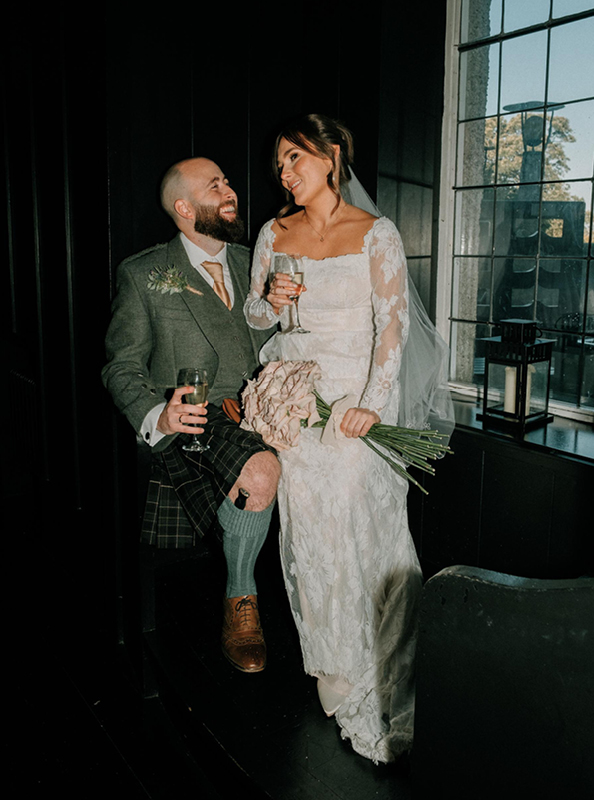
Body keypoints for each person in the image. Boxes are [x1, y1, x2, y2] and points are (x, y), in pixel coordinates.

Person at [244, 114, 452, 763]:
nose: (284, 172)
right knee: (310, 538)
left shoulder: (376, 234)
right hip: (297, 409)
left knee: (367, 533)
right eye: (278, 162)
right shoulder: (272, 232)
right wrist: (272, 301)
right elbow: (254, 315)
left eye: (295, 158)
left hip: (358, 406)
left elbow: (392, 329)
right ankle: (339, 673)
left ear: (331, 156)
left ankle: (385, 674)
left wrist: (369, 406)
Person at [102, 157, 280, 673]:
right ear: (184, 207)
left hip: (267, 409)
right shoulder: (143, 274)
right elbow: (121, 367)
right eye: (215, 185)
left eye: (228, 180)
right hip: (196, 419)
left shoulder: (260, 262)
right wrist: (158, 415)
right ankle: (240, 603)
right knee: (262, 472)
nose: (231, 191)